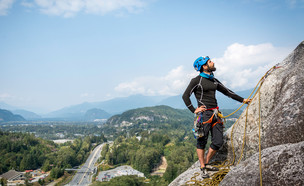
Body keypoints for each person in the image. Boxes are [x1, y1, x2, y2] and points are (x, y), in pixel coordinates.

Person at [182, 56, 251, 178]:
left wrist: (243, 100)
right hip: (204, 115)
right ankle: (203, 167)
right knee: (201, 141)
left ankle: (206, 162)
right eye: (209, 62)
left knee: (218, 141)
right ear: (204, 66)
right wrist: (194, 110)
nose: (213, 62)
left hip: (215, 113)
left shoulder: (214, 80)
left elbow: (227, 92)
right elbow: (185, 96)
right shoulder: (196, 81)